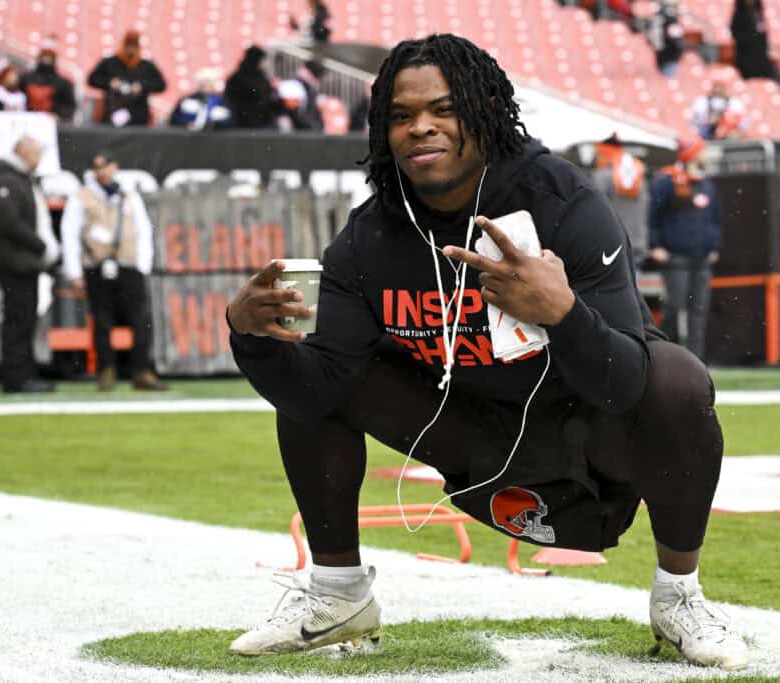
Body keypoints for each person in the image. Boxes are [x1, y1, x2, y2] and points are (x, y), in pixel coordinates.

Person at [225, 33, 749, 671]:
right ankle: (337, 594)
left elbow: (629, 384)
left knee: (679, 379)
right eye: (400, 116)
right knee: (312, 369)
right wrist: (250, 338)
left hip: (583, 433)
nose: (421, 128)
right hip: (469, 437)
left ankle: (679, 597)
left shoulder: (561, 202)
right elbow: (312, 395)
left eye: (443, 110)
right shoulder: (370, 236)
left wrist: (562, 314)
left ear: (484, 111)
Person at [60, 152, 166, 391]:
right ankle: (106, 370)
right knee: (102, 320)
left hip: (129, 265)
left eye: (106, 166)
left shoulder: (128, 195)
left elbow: (142, 228)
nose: (102, 172)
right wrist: (74, 270)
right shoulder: (82, 197)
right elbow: (70, 233)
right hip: (97, 265)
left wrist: (143, 264)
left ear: (115, 167)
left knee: (140, 320)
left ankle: (141, 370)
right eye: (97, 167)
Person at [0, 136, 59, 393]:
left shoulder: (18, 180)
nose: (39, 159)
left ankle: (24, 374)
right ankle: (15, 378)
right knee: (17, 322)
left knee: (24, 320)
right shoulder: (7, 181)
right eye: (37, 153)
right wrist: (39, 245)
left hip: (24, 263)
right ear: (24, 153)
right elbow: (9, 222)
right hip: (15, 263)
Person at [647, 137, 721, 362]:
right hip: (675, 256)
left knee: (698, 310)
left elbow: (715, 219)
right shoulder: (667, 181)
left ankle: (696, 360)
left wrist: (714, 244)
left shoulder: (707, 184)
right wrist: (656, 245)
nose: (707, 155)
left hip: (701, 257)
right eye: (702, 150)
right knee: (674, 306)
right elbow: (653, 216)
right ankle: (668, 357)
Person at [590, 134, 649, 266]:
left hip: (611, 241)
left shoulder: (602, 175)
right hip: (637, 241)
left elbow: (596, 210)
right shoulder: (638, 174)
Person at [87, 30, 166, 127]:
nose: (130, 48)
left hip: (138, 115)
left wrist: (142, 86)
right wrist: (109, 82)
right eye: (128, 44)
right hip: (112, 110)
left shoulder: (146, 65)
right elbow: (92, 79)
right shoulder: (110, 62)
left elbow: (161, 84)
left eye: (134, 45)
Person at [224, 45, 294, 130]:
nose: (263, 64)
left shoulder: (259, 76)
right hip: (248, 122)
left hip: (262, 120)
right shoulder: (239, 79)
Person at [21, 37, 77, 122]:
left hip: (52, 124)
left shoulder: (63, 83)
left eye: (49, 57)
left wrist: (58, 116)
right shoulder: (26, 79)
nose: (46, 60)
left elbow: (69, 106)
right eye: (45, 56)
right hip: (27, 121)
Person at [730, 0, 775, 80]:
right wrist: (752, 38)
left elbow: (763, 32)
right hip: (746, 57)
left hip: (760, 58)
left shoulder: (759, 13)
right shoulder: (739, 14)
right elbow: (736, 33)